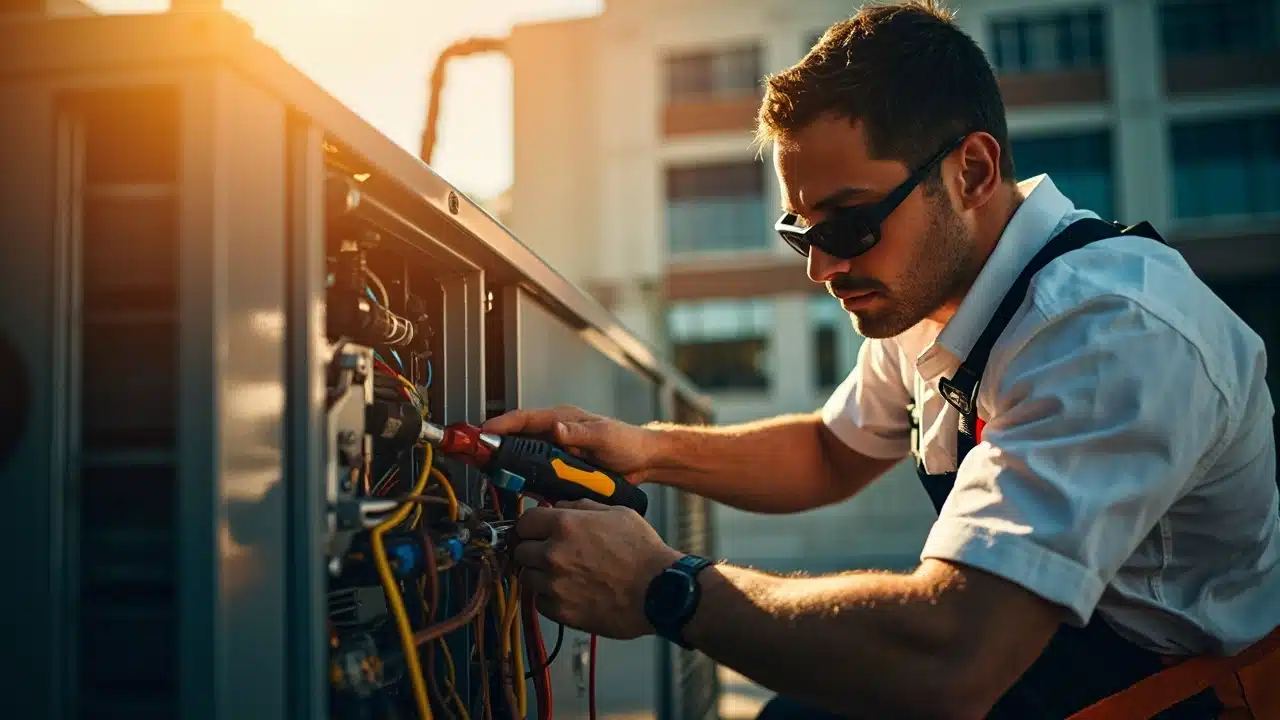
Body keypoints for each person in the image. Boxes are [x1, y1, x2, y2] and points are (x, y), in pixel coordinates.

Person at [487, 1, 1280, 717]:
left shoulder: (1111, 334)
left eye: (847, 224)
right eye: (801, 231)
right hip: (1042, 664)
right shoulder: (929, 294)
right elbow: (829, 452)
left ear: (972, 172)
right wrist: (645, 450)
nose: (820, 268)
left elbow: (952, 659)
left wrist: (663, 588)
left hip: (1179, 696)